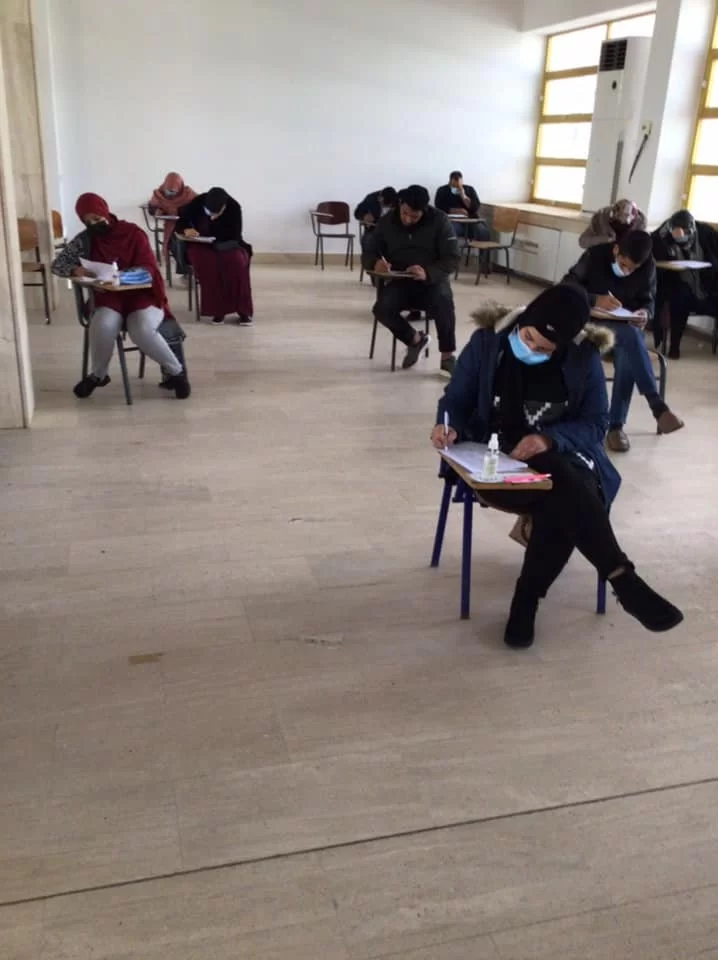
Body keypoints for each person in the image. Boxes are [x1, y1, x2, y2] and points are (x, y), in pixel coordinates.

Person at [430, 284, 683, 649]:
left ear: (563, 346)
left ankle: (527, 601)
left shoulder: (583, 356)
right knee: (567, 497)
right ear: (523, 322)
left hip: (561, 456)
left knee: (561, 491)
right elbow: (455, 399)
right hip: (495, 459)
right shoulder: (488, 343)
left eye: (545, 349)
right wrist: (448, 425)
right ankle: (619, 579)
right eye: (528, 338)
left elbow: (597, 423)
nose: (532, 349)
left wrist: (549, 439)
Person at [51, 192, 191, 400]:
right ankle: (98, 375)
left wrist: (122, 277)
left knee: (142, 329)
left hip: (142, 295)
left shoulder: (133, 233)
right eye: (88, 222)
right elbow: (57, 265)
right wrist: (75, 270)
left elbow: (149, 269)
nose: (94, 224)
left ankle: (176, 373)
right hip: (108, 296)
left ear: (105, 212)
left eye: (96, 218)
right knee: (103, 324)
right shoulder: (86, 239)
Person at [562, 231, 683, 452]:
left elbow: (648, 300)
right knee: (630, 341)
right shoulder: (594, 256)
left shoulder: (647, 266)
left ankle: (619, 426)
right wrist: (594, 299)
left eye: (632, 269)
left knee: (628, 346)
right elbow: (566, 286)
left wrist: (644, 313)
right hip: (589, 325)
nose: (627, 272)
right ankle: (642, 412)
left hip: (624, 328)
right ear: (616, 249)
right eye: (624, 265)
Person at [363, 185, 460, 375]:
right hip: (400, 281)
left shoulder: (439, 220)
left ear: (424, 210)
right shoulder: (386, 222)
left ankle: (447, 357)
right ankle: (415, 340)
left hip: (431, 281)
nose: (408, 219)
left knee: (444, 302)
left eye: (414, 216)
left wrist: (428, 272)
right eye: (404, 213)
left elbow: (452, 258)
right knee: (381, 309)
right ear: (400, 204)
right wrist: (375, 264)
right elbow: (369, 253)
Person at [176, 186, 254, 326]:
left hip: (227, 244)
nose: (211, 213)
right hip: (200, 245)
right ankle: (218, 311)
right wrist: (186, 229)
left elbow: (235, 234)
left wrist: (214, 222)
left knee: (237, 262)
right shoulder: (198, 202)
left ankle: (243, 310)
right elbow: (181, 221)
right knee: (208, 264)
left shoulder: (233, 207)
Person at [651, 209, 718, 358]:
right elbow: (653, 256)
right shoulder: (662, 235)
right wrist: (668, 245)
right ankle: (674, 346)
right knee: (679, 297)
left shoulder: (706, 233)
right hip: (679, 284)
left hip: (706, 284)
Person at [147, 171, 196, 279]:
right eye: (168, 191)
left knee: (184, 243)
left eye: (173, 191)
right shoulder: (158, 194)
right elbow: (151, 208)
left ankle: (189, 271)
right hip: (170, 228)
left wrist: (180, 212)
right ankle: (185, 271)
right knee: (176, 243)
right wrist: (156, 211)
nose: (170, 194)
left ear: (179, 187)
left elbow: (197, 208)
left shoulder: (188, 194)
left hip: (187, 226)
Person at [434, 171, 488, 242]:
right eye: (454, 185)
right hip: (452, 221)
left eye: (458, 185)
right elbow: (438, 206)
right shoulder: (442, 190)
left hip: (470, 221)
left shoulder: (469, 189)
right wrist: (455, 210)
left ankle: (481, 249)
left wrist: (463, 195)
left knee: (482, 231)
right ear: (450, 181)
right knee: (451, 230)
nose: (456, 187)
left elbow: (475, 207)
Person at [579, 199, 647, 250]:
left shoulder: (639, 224)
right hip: (599, 258)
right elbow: (583, 242)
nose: (622, 225)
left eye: (626, 225)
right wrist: (605, 239)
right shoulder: (601, 218)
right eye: (619, 222)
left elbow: (641, 250)